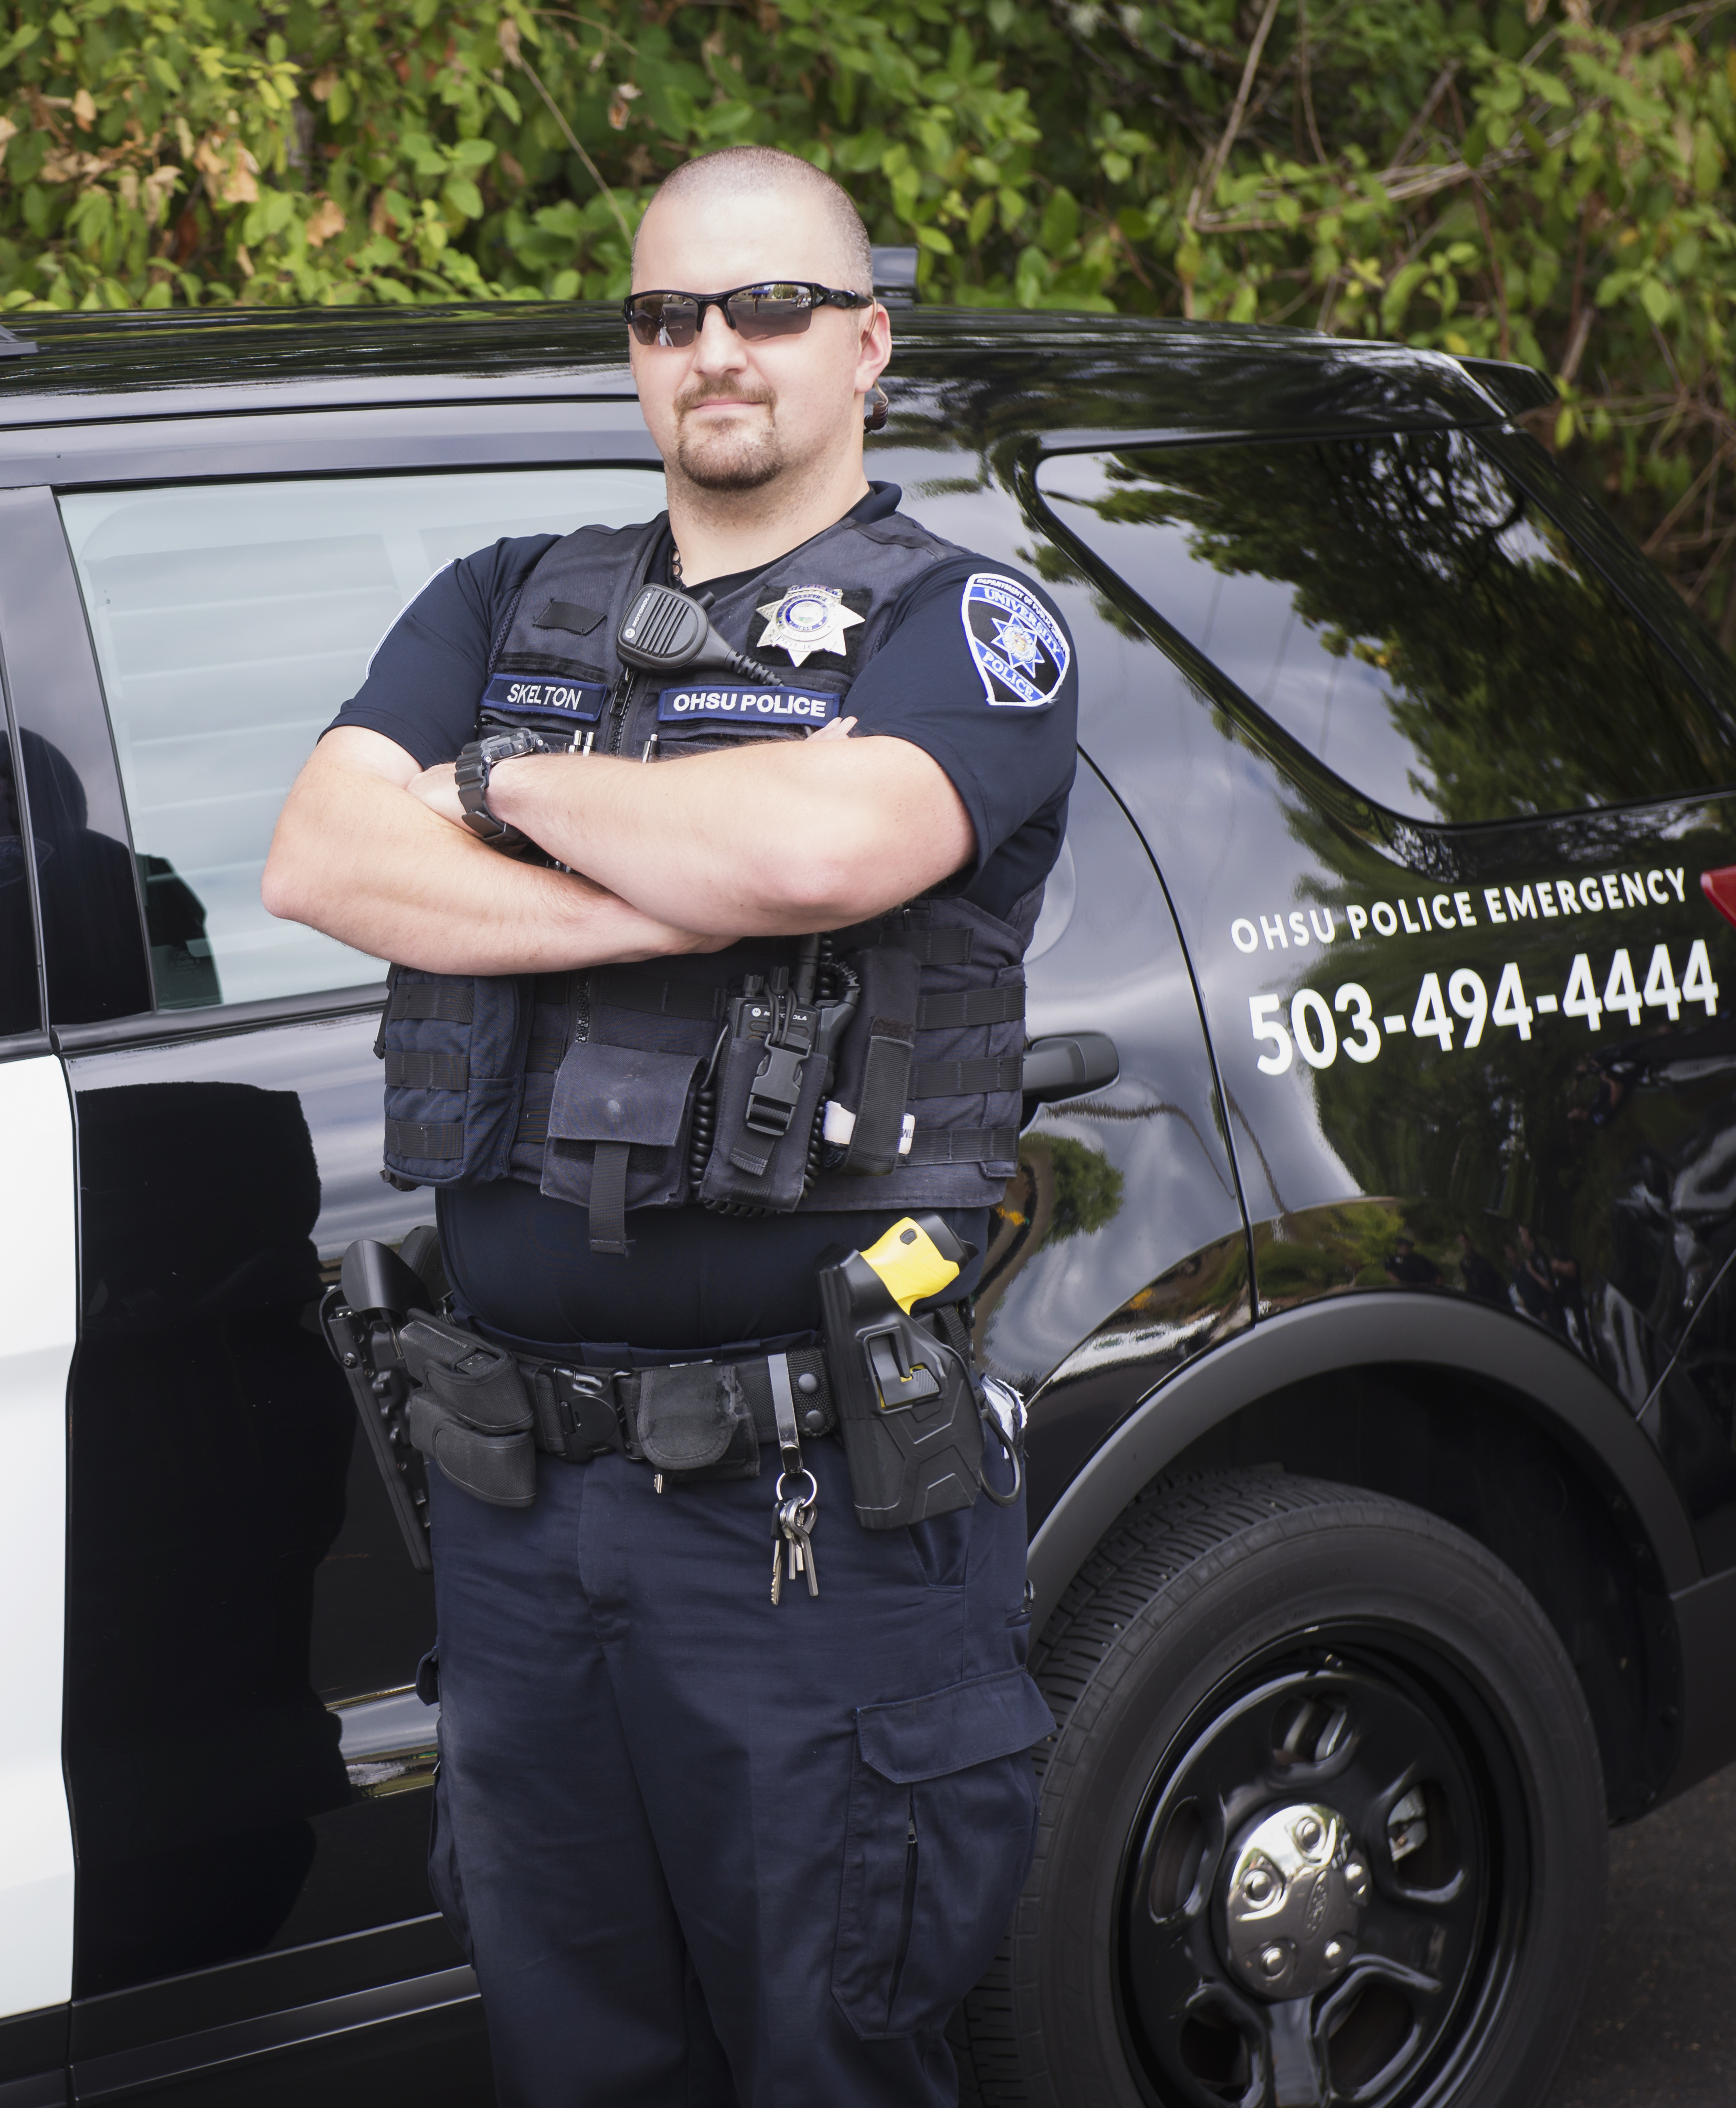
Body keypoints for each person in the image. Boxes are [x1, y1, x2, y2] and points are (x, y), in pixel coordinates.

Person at [259, 147, 1076, 2105]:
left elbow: (822, 839)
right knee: (570, 2044)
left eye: (767, 305)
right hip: (521, 1507)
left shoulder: (960, 626)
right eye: (665, 315)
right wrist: (665, 880)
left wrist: (492, 789)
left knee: (824, 2044)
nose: (714, 348)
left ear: (865, 339)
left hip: (806, 1527)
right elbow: (314, 854)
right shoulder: (499, 596)